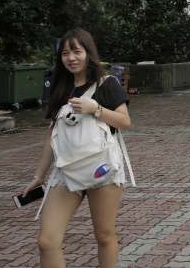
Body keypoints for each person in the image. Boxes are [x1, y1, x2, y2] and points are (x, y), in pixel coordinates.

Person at [20, 28, 132, 268]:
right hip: (65, 171)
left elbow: (125, 121)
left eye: (76, 51)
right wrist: (38, 177)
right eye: (65, 54)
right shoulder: (60, 87)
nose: (71, 58)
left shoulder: (107, 84)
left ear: (88, 53)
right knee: (47, 241)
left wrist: (96, 109)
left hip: (102, 169)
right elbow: (52, 134)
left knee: (104, 235)